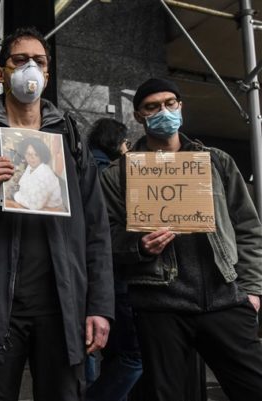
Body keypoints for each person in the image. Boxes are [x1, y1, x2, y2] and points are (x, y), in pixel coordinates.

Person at [0, 27, 114, 401]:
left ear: (47, 75)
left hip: (63, 307)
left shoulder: (71, 140)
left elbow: (97, 229)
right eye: (20, 60)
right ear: (1, 74)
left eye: (39, 61)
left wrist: (99, 306)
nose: (30, 67)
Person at [100, 77, 262, 401]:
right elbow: (104, 238)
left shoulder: (217, 161)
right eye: (152, 106)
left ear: (181, 107)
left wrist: (253, 290)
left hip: (224, 299)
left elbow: (247, 228)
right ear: (138, 116)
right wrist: (139, 246)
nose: (163, 111)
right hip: (159, 306)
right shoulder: (117, 174)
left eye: (169, 103)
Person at [86, 118, 142, 401]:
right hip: (113, 275)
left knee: (102, 353)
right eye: (125, 142)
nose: (127, 148)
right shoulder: (107, 173)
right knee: (132, 356)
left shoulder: (81, 166)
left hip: (86, 274)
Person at [12, 137, 65, 211]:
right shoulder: (31, 167)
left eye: (36, 154)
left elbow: (34, 206)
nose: (32, 158)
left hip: (48, 212)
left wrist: (14, 194)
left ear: (42, 155)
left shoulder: (45, 175)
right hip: (28, 203)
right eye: (28, 154)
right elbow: (23, 184)